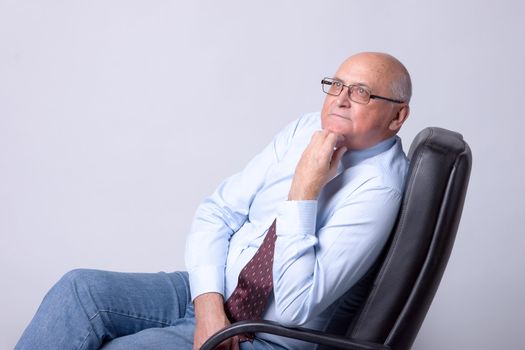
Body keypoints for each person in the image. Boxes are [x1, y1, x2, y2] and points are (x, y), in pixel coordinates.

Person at [15, 52, 412, 350]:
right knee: (79, 289)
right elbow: (218, 210)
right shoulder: (306, 128)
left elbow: (293, 308)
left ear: (397, 118)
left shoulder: (380, 189)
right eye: (336, 85)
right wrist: (207, 305)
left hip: (266, 334)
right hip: (214, 292)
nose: (340, 99)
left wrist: (303, 192)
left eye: (361, 92)